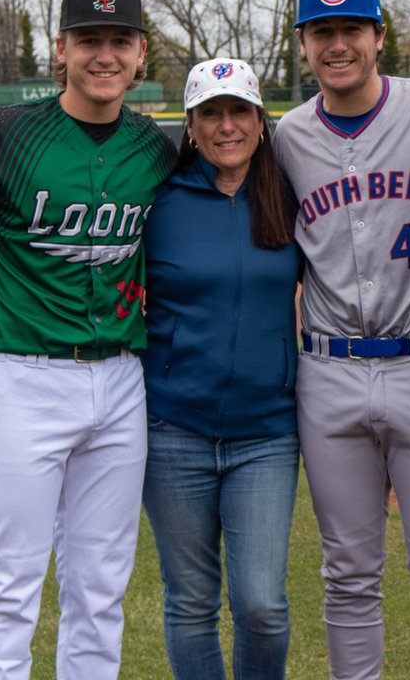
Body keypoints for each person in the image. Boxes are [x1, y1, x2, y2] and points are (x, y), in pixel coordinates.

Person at [0, 0, 176, 680]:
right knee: (8, 588)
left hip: (120, 383)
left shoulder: (157, 150)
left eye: (120, 41)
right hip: (20, 381)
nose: (104, 55)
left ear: (141, 53)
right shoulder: (0, 132)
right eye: (89, 40)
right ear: (60, 50)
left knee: (100, 590)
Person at [272, 0, 410, 680]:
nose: (338, 45)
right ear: (304, 43)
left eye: (351, 30)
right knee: (348, 572)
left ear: (378, 37)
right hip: (328, 375)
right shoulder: (287, 139)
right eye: (322, 33)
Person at [140, 58, 302, 680]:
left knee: (261, 604)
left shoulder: (289, 194)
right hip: (173, 428)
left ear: (261, 121)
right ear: (190, 124)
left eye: (239, 111)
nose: (226, 126)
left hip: (266, 433)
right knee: (190, 602)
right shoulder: (158, 199)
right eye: (210, 112)